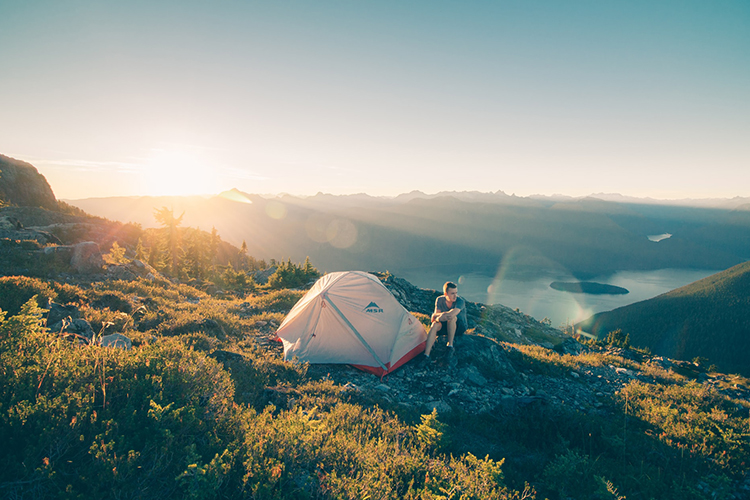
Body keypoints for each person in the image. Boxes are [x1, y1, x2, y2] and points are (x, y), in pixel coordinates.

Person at [419, 281, 467, 366]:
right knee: (435, 325)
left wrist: (441, 315)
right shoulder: (440, 300)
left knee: (452, 318)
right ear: (446, 294)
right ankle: (426, 355)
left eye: (456, 293)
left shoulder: (460, 301)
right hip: (445, 324)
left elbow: (452, 314)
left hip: (459, 327)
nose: (455, 295)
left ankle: (450, 346)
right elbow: (434, 317)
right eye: (452, 293)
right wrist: (442, 315)